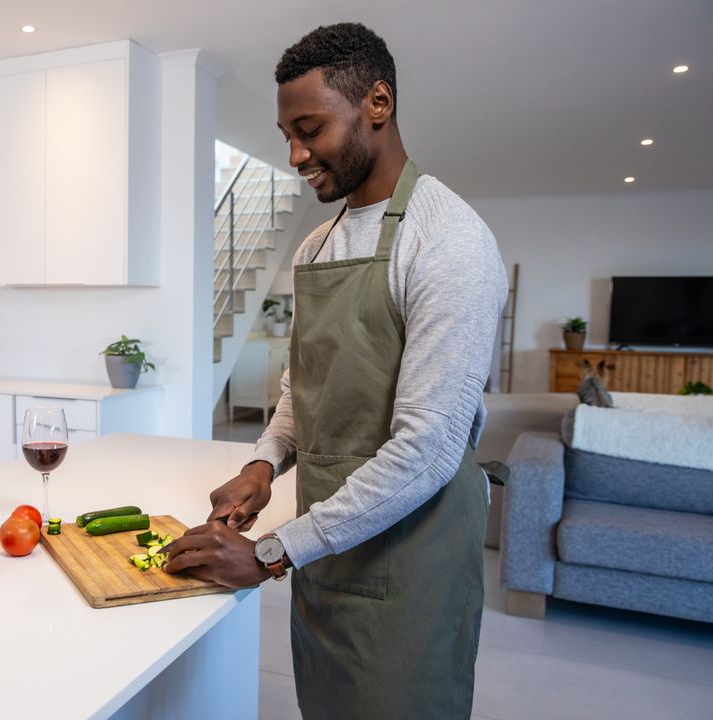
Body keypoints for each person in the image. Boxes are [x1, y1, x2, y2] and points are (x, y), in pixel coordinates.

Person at [164, 21, 508, 719]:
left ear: (376, 104)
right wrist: (264, 464)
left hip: (413, 552)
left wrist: (269, 554)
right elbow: (306, 383)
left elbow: (429, 448)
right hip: (328, 543)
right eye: (287, 133)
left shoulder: (450, 243)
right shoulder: (316, 246)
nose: (294, 154)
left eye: (310, 129)